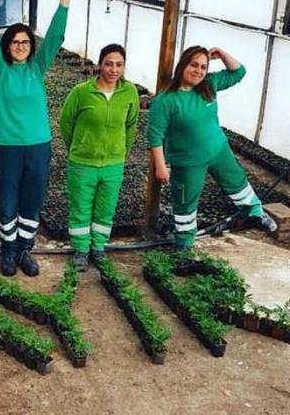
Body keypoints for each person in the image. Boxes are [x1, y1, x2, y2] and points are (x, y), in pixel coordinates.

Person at [0, 0, 79, 277]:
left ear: (31, 46)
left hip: (38, 146)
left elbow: (56, 36)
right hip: (7, 146)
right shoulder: (1, 70)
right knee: (6, 198)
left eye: (25, 42)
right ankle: (8, 250)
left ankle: (24, 250)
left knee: (32, 198)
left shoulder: (38, 67)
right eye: (14, 42)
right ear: (7, 47)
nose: (20, 46)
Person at [146, 45, 277, 249]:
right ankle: (184, 244)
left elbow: (238, 72)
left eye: (203, 67)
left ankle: (256, 213)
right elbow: (154, 135)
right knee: (185, 201)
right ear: (182, 66)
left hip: (219, 150)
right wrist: (160, 166)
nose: (198, 71)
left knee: (238, 183)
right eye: (194, 65)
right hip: (187, 161)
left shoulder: (209, 84)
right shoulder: (166, 100)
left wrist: (223, 54)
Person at [59, 44, 139, 271]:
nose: (114, 69)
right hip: (83, 162)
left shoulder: (129, 92)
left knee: (106, 207)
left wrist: (121, 150)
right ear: (100, 64)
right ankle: (81, 250)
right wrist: (78, 146)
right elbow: (66, 122)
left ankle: (99, 247)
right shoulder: (81, 92)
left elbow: (131, 125)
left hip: (113, 163)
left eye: (119, 65)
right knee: (81, 206)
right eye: (109, 63)